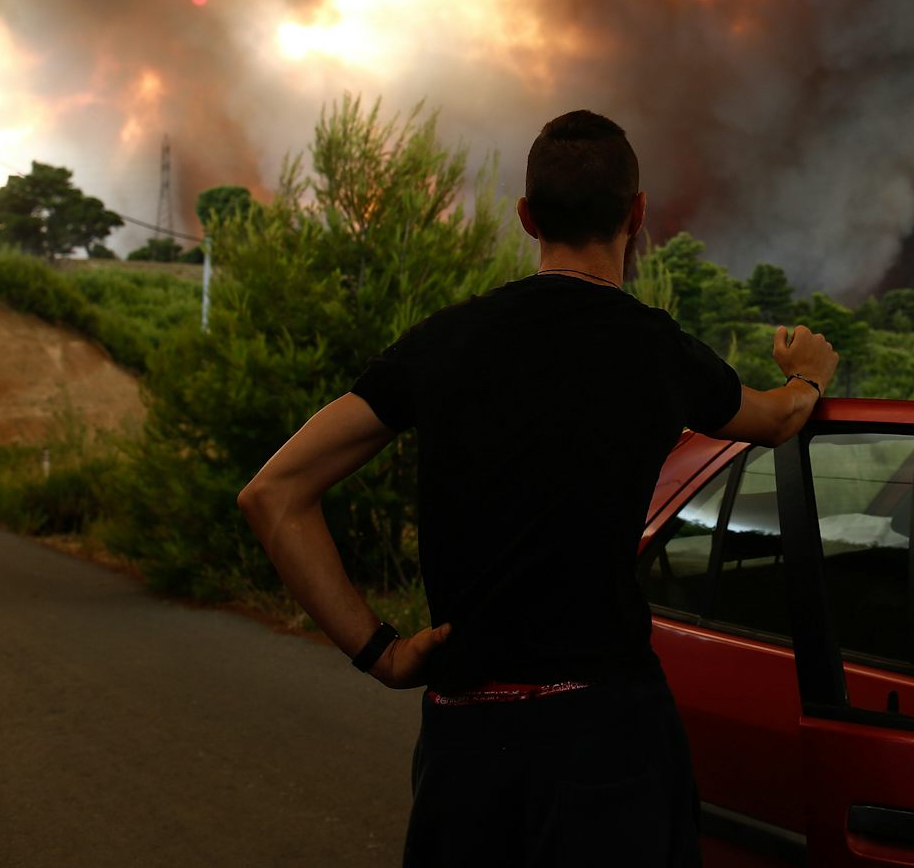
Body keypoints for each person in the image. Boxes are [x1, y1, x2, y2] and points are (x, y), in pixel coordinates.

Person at [236, 109, 839, 866]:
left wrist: (381, 653)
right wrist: (810, 371)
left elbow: (274, 494)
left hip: (468, 743)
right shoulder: (656, 352)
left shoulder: (443, 344)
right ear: (638, 214)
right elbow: (779, 419)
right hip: (609, 738)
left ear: (526, 217)